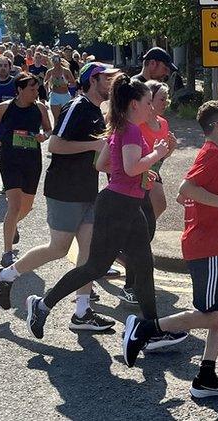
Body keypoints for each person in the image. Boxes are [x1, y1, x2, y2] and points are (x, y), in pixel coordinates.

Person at [24, 76, 172, 340]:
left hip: (126, 202)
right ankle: (42, 305)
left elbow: (102, 165)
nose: (152, 107)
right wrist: (155, 156)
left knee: (143, 264)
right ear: (134, 104)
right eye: (148, 102)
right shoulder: (132, 130)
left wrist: (139, 173)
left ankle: (151, 330)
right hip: (118, 205)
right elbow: (129, 167)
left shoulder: (118, 128)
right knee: (96, 267)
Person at [120, 100, 218, 399]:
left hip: (212, 241)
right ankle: (145, 329)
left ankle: (206, 377)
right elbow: (185, 190)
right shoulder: (213, 154)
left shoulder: (214, 153)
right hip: (206, 245)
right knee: (215, 314)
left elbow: (187, 198)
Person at [0, 63, 121, 332]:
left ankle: (82, 312)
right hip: (65, 189)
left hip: (87, 188)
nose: (111, 83)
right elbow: (56, 145)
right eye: (107, 79)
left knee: (89, 252)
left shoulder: (96, 111)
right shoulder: (77, 106)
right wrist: (95, 145)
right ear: (93, 81)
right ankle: (4, 275)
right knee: (59, 248)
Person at [121, 79, 179, 304]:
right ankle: (130, 283)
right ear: (149, 101)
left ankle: (130, 258)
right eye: (162, 98)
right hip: (138, 178)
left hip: (152, 175)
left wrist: (170, 149)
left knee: (149, 224)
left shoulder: (163, 123)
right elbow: (130, 159)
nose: (166, 102)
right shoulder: (136, 124)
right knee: (143, 233)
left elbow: (161, 156)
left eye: (166, 98)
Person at [0, 72, 52, 267]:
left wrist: (44, 136)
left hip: (31, 159)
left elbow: (48, 129)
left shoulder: (39, 108)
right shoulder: (4, 108)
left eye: (37, 88)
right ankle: (8, 252)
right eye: (31, 89)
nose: (35, 91)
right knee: (14, 205)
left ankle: (12, 225)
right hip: (9, 158)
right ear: (20, 90)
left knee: (27, 206)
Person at [44, 54, 75, 123]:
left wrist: (66, 84)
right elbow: (44, 83)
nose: (56, 62)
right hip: (54, 96)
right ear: (52, 61)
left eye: (57, 60)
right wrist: (48, 83)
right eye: (54, 60)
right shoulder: (49, 72)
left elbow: (73, 83)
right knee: (56, 119)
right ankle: (56, 133)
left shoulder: (66, 71)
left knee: (66, 118)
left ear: (60, 61)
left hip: (65, 95)